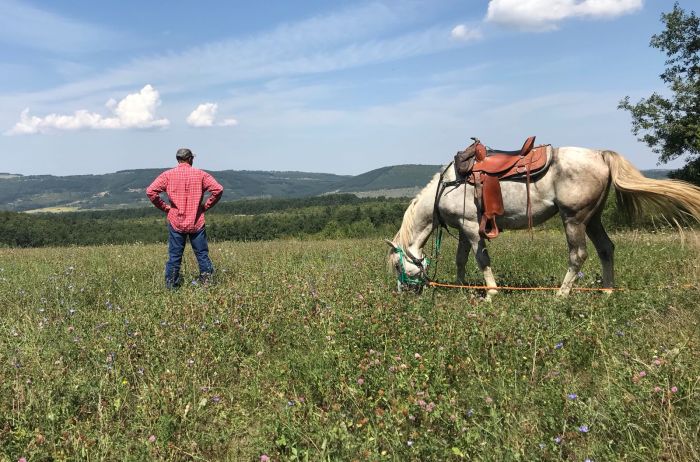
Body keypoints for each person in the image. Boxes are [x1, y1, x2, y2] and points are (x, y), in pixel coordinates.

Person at [146, 148, 224, 289]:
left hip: (176, 221)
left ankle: (171, 287)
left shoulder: (167, 175)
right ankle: (207, 284)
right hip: (196, 220)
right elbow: (218, 189)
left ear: (178, 159)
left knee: (175, 257)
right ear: (190, 159)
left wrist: (165, 207)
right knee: (202, 255)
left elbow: (150, 191)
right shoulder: (201, 174)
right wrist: (205, 206)